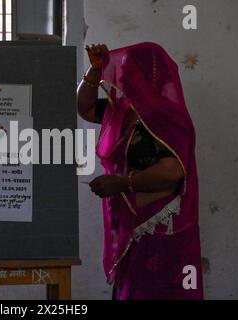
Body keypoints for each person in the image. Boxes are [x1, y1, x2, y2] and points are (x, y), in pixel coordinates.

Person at [77, 42, 203, 300]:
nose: (122, 76)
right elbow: (85, 108)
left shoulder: (170, 118)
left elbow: (173, 171)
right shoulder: (121, 111)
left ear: (149, 76)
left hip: (160, 231)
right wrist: (94, 70)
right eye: (122, 70)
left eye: (129, 71)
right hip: (130, 227)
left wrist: (122, 183)